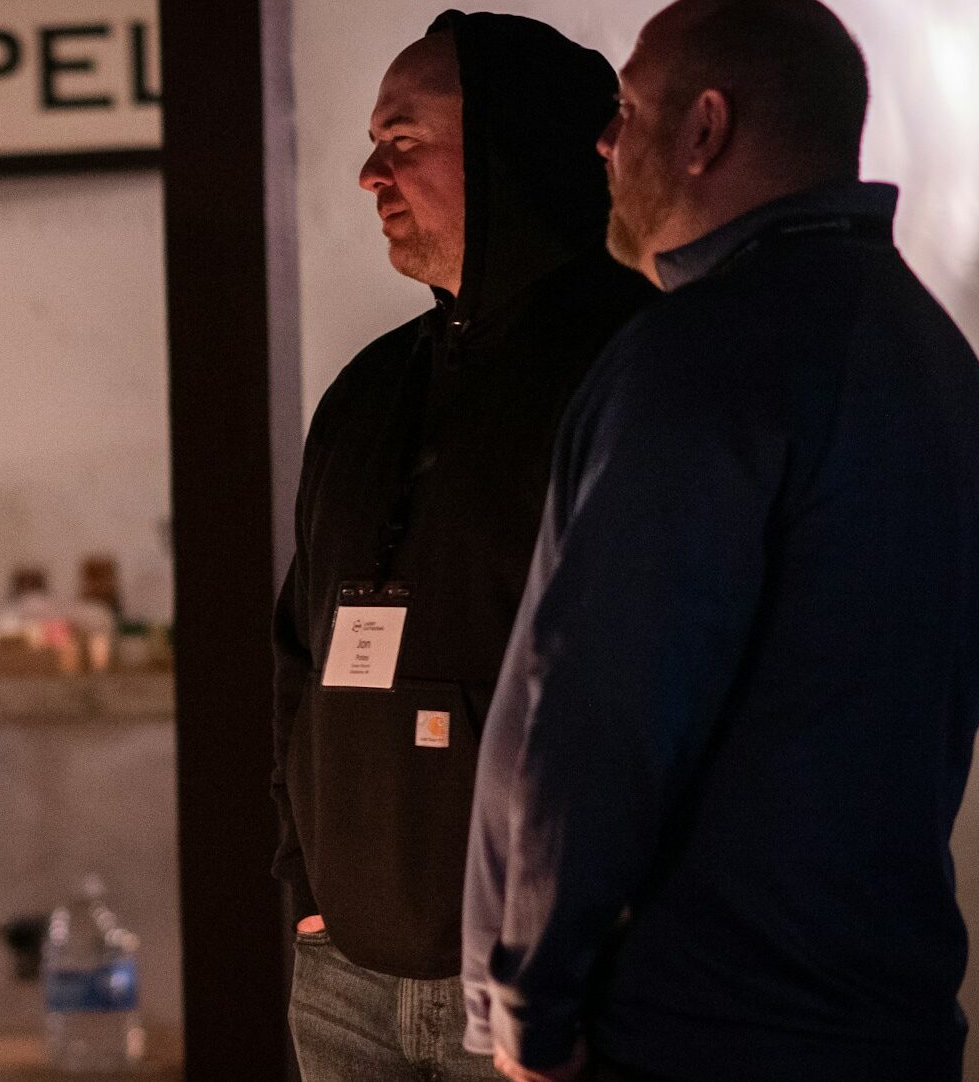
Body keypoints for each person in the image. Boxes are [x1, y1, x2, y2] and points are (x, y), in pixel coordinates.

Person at [460, 1, 979, 1080]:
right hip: (881, 1011)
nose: (604, 141)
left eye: (627, 109)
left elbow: (611, 694)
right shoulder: (934, 354)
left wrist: (535, 995)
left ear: (704, 129)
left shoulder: (703, 355)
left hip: (694, 1025)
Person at [270, 11, 655, 1081]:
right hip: (344, 973)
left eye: (403, 142)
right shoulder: (367, 388)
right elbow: (296, 653)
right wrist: (305, 881)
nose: (369, 177)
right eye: (371, 145)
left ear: (508, 151)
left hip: (539, 982)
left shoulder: (632, 365)